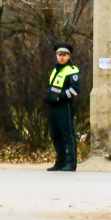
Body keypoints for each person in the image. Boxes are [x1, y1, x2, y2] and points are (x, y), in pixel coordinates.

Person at [45, 43, 81, 171]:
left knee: (68, 135)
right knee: (56, 135)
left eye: (64, 55)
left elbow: (75, 90)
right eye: (59, 55)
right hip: (53, 107)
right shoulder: (55, 70)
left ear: (69, 56)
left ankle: (71, 163)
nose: (61, 57)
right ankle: (60, 161)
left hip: (64, 106)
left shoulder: (72, 70)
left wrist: (60, 96)